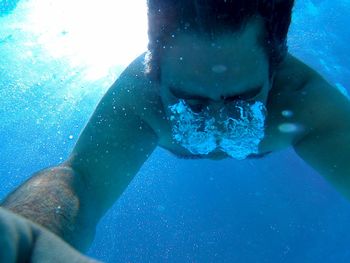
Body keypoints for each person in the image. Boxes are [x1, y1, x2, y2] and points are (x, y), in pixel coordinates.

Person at [1, 0, 350, 261]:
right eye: (190, 101)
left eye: (241, 100)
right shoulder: (139, 98)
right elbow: (79, 181)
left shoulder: (306, 102)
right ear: (155, 77)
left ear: (276, 72)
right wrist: (27, 240)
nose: (215, 120)